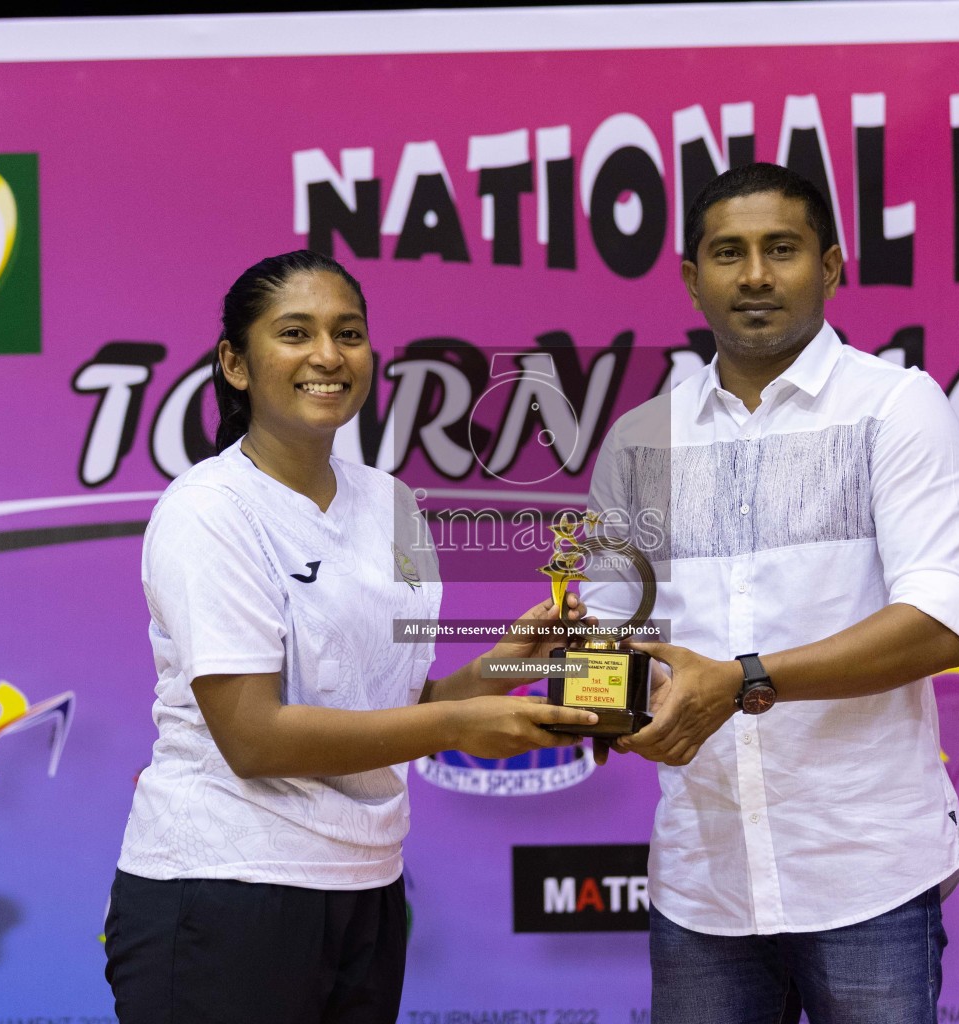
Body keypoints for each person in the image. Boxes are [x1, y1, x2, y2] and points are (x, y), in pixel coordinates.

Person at [103, 250, 598, 1024]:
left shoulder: (394, 503)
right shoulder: (209, 510)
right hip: (226, 889)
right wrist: (455, 727)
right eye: (294, 333)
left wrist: (508, 664)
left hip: (365, 888)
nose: (328, 356)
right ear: (236, 363)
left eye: (350, 333)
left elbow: (396, 704)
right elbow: (255, 738)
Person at [582, 164, 959, 1023]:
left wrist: (742, 679)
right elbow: (607, 633)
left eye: (782, 249)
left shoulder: (898, 408)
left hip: (867, 872)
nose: (755, 274)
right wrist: (577, 695)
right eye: (728, 252)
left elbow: (938, 624)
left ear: (830, 267)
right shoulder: (640, 438)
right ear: (693, 279)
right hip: (703, 881)